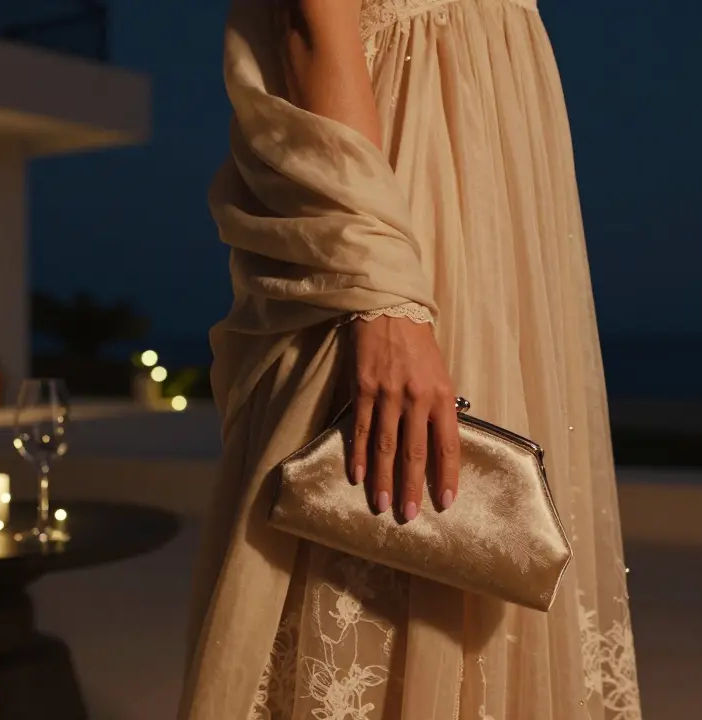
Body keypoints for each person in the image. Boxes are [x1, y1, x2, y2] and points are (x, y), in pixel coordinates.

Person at [178, 1, 642, 718]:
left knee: (483, 556)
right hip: (407, 186)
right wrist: (383, 291)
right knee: (382, 532)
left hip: (496, 190)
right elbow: (308, 22)